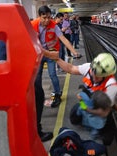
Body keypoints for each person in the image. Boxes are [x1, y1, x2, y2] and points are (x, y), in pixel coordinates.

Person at [31, 5, 80, 142]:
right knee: (37, 79)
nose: (47, 20)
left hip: (51, 53)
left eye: (48, 17)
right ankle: (38, 98)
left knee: (53, 74)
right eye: (44, 17)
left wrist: (74, 51)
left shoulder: (54, 25)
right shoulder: (32, 25)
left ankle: (57, 94)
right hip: (38, 55)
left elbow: (63, 39)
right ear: (39, 16)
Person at [56, 52, 117, 142]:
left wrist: (87, 110)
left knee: (105, 136)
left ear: (106, 75)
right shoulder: (89, 68)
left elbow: (104, 112)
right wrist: (57, 59)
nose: (94, 77)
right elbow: (71, 68)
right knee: (74, 119)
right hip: (89, 101)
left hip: (100, 107)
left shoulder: (111, 86)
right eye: (93, 73)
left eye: (98, 76)